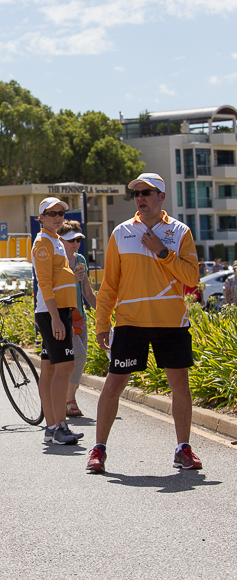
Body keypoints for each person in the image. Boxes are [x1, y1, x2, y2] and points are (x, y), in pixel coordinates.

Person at [87, 173, 202, 474]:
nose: (141, 197)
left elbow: (192, 279)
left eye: (147, 192)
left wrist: (163, 252)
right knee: (113, 385)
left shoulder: (180, 232)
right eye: (137, 193)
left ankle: (183, 449)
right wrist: (102, 324)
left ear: (161, 197)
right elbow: (109, 284)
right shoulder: (121, 233)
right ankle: (99, 449)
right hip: (130, 324)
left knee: (181, 387)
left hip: (171, 324)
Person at [32, 197, 81, 445]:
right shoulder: (43, 242)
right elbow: (45, 282)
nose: (58, 216)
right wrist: (56, 319)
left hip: (58, 311)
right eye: (51, 213)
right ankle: (59, 426)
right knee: (65, 368)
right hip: (52, 311)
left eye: (61, 212)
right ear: (41, 217)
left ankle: (52, 426)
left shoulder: (56, 241)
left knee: (50, 369)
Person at [56, 222, 97, 418]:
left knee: (79, 359)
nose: (76, 243)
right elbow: (52, 289)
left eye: (78, 239)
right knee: (77, 356)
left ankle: (67, 399)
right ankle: (68, 400)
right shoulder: (57, 259)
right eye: (71, 240)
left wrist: (104, 312)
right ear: (61, 240)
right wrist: (72, 279)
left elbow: (87, 292)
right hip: (62, 316)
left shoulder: (80, 259)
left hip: (79, 316)